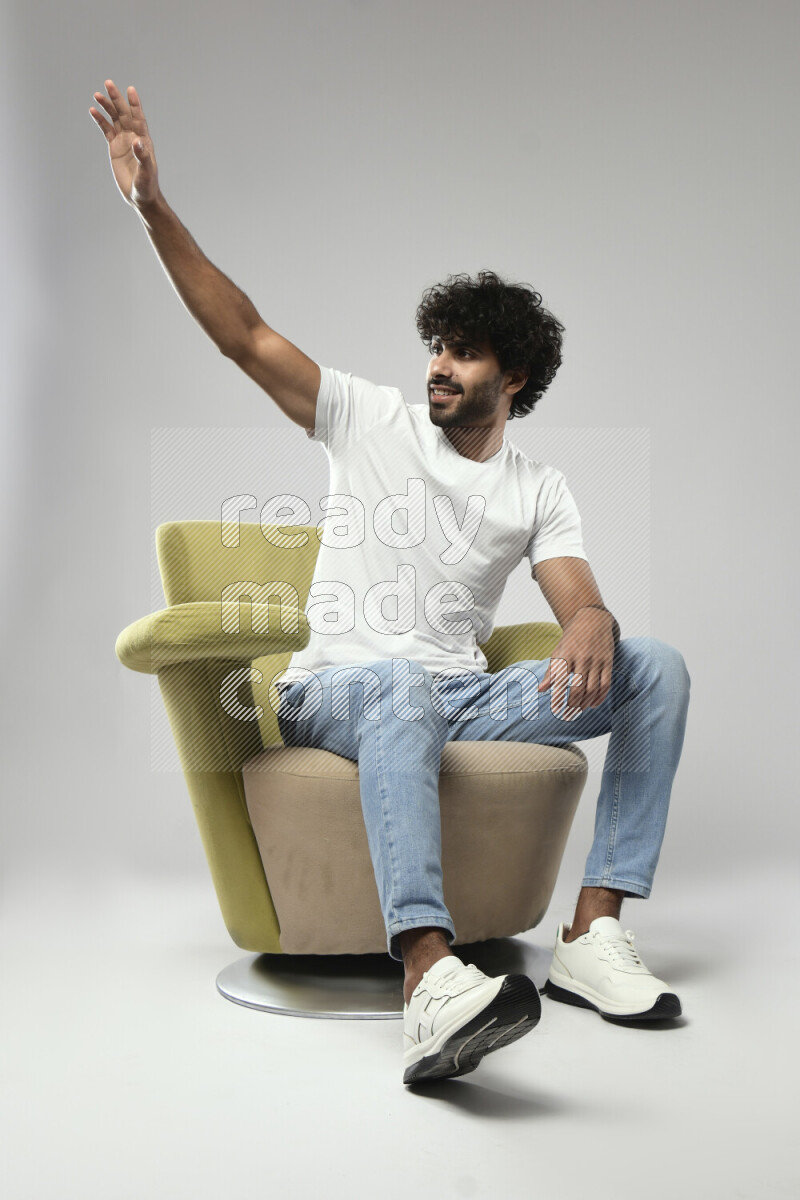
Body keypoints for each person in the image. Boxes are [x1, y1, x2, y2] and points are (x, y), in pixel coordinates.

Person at [91, 80, 692, 1086]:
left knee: (656, 668)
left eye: (466, 353)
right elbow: (244, 335)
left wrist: (593, 616)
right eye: (437, 347)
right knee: (403, 685)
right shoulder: (367, 420)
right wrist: (153, 207)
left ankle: (592, 933)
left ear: (516, 380)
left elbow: (575, 595)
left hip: (460, 698)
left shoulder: (536, 487)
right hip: (339, 690)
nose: (439, 366)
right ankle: (426, 974)